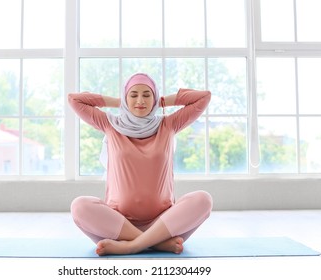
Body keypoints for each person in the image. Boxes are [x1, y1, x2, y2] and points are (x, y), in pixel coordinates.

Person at [67, 73, 212, 256]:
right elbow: (74, 100)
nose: (140, 100)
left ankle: (132, 245)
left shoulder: (168, 124)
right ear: (125, 98)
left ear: (155, 97)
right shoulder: (111, 125)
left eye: (147, 94)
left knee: (203, 199)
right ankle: (156, 244)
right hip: (117, 225)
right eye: (133, 95)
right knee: (79, 206)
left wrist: (162, 101)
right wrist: (118, 102)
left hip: (164, 224)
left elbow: (203, 97)